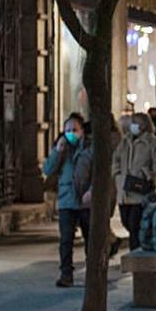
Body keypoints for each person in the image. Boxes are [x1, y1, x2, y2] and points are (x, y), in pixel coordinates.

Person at [43, 112, 93, 288]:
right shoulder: (61, 147)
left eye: (75, 129)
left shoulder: (90, 147)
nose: (71, 133)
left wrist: (91, 191)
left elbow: (98, 172)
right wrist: (58, 152)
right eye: (68, 130)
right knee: (66, 240)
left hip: (86, 200)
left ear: (82, 131)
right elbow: (48, 170)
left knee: (90, 239)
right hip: (66, 200)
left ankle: (93, 274)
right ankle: (66, 274)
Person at [112, 112, 156, 251]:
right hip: (125, 189)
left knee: (134, 223)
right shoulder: (125, 141)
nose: (132, 125)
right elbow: (116, 158)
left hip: (141, 191)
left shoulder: (153, 142)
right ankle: (140, 245)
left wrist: (149, 172)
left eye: (135, 122)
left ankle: (136, 252)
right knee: (126, 222)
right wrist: (117, 173)